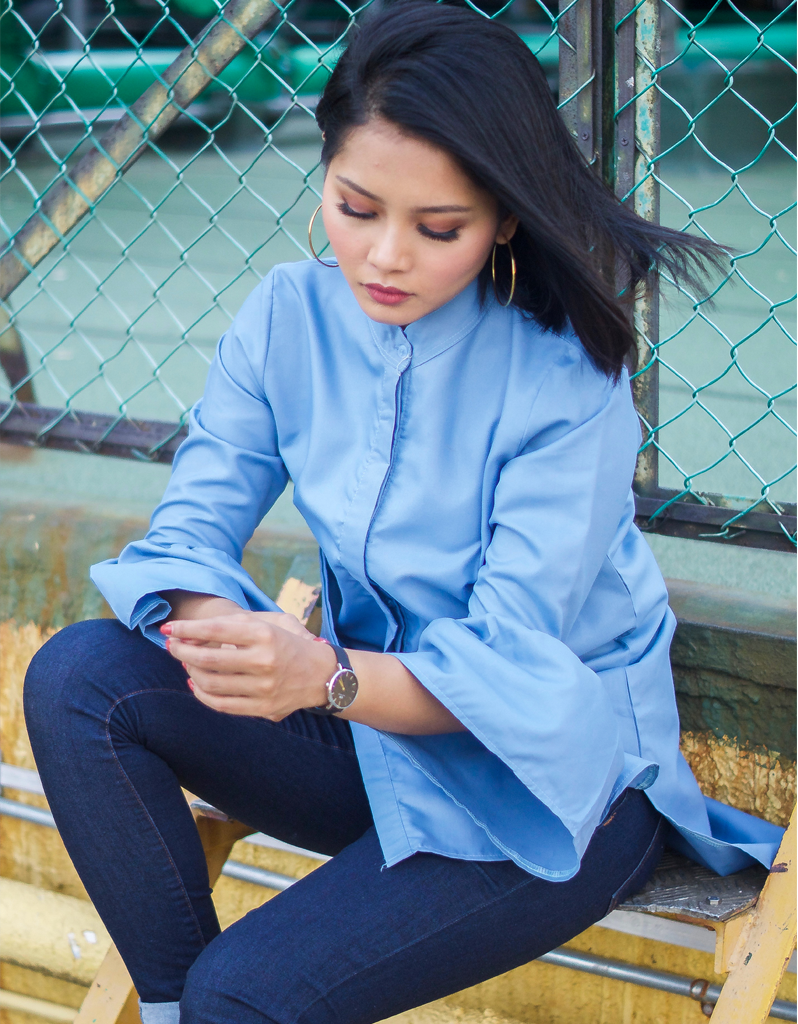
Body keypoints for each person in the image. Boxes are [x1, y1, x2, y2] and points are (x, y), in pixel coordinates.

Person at [24, 3, 783, 1022]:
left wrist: (322, 675)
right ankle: (168, 1008)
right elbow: (190, 528)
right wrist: (217, 633)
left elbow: (508, 669)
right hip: (367, 741)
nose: (384, 256)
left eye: (438, 230)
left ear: (505, 216)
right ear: (325, 171)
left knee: (243, 994)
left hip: (552, 790)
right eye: (355, 205)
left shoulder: (568, 384)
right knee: (80, 679)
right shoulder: (287, 318)